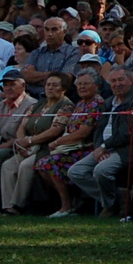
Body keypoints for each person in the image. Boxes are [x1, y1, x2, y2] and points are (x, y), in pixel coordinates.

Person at [67, 64, 133, 216]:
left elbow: (128, 133)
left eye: (121, 80)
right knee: (76, 171)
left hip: (129, 149)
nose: (117, 84)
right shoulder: (109, 102)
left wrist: (104, 147)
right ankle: (116, 199)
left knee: (102, 170)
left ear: (130, 80)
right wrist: (100, 147)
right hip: (106, 148)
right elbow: (98, 129)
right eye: (113, 81)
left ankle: (110, 207)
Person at [36, 69, 103, 216]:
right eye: (79, 84)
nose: (82, 87)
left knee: (49, 163)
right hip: (71, 147)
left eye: (86, 84)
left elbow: (83, 133)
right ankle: (70, 200)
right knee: (42, 165)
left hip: (86, 148)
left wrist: (58, 141)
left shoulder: (96, 104)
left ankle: (66, 206)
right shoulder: (80, 103)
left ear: (97, 86)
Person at [3, 71, 71, 213]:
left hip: (46, 147)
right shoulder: (38, 104)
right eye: (48, 85)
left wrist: (30, 140)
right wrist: (22, 141)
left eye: (55, 85)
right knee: (8, 165)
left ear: (63, 88)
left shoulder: (66, 106)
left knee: (26, 166)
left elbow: (55, 130)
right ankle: (7, 206)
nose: (50, 88)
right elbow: (23, 124)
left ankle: (18, 205)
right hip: (28, 145)